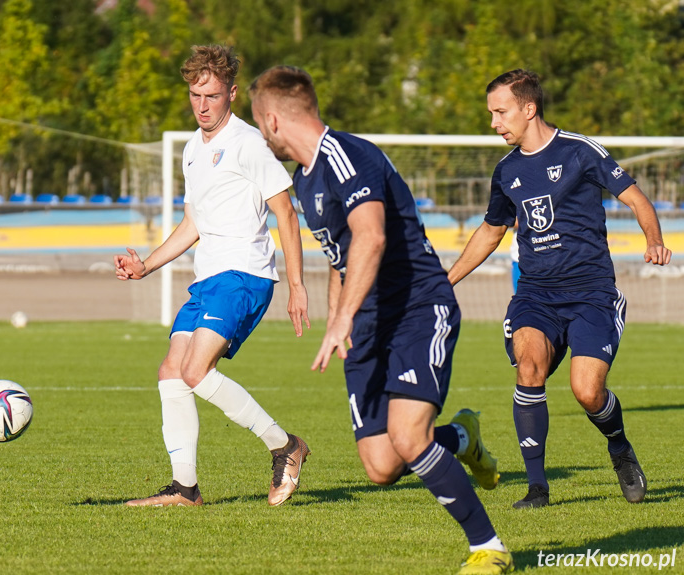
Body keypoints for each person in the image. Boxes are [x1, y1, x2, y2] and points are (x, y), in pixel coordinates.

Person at [250, 65, 513, 575]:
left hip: (417, 308)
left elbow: (371, 237)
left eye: (261, 125)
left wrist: (339, 319)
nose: (263, 136)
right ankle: (462, 437)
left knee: (410, 437)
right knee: (381, 466)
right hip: (366, 324)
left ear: (274, 119)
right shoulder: (304, 182)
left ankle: (489, 548)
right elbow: (339, 257)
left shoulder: (347, 155)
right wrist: (341, 320)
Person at [448, 69, 672, 509]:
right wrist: (445, 283)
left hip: (591, 294)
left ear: (529, 108)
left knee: (587, 392)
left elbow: (636, 198)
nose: (494, 122)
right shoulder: (507, 170)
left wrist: (654, 241)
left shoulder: (580, 152)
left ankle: (620, 448)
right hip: (535, 294)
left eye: (501, 112)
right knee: (528, 368)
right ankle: (538, 488)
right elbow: (492, 231)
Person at [114, 45, 311, 508]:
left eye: (212, 95)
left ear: (232, 94)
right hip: (209, 279)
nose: (202, 105)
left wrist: (298, 286)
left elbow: (286, 212)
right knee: (171, 373)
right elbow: (193, 224)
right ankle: (185, 488)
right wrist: (146, 265)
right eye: (194, 94)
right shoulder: (191, 150)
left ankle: (285, 447)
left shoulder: (249, 143)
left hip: (245, 274)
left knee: (196, 371)